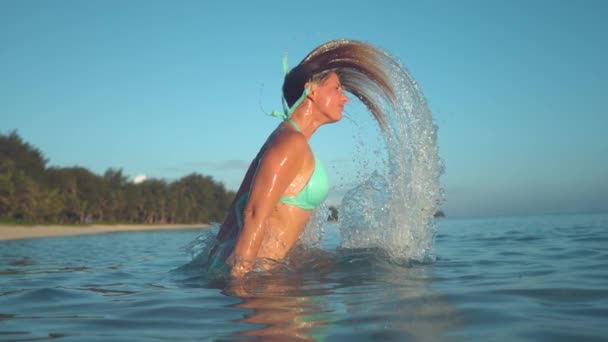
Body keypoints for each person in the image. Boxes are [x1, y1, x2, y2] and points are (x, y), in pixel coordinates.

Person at [209, 39, 396, 278]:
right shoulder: (290, 143)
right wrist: (241, 285)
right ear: (312, 89)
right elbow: (252, 214)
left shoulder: (284, 138)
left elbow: (234, 214)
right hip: (258, 279)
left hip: (259, 271)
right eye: (337, 88)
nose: (345, 97)